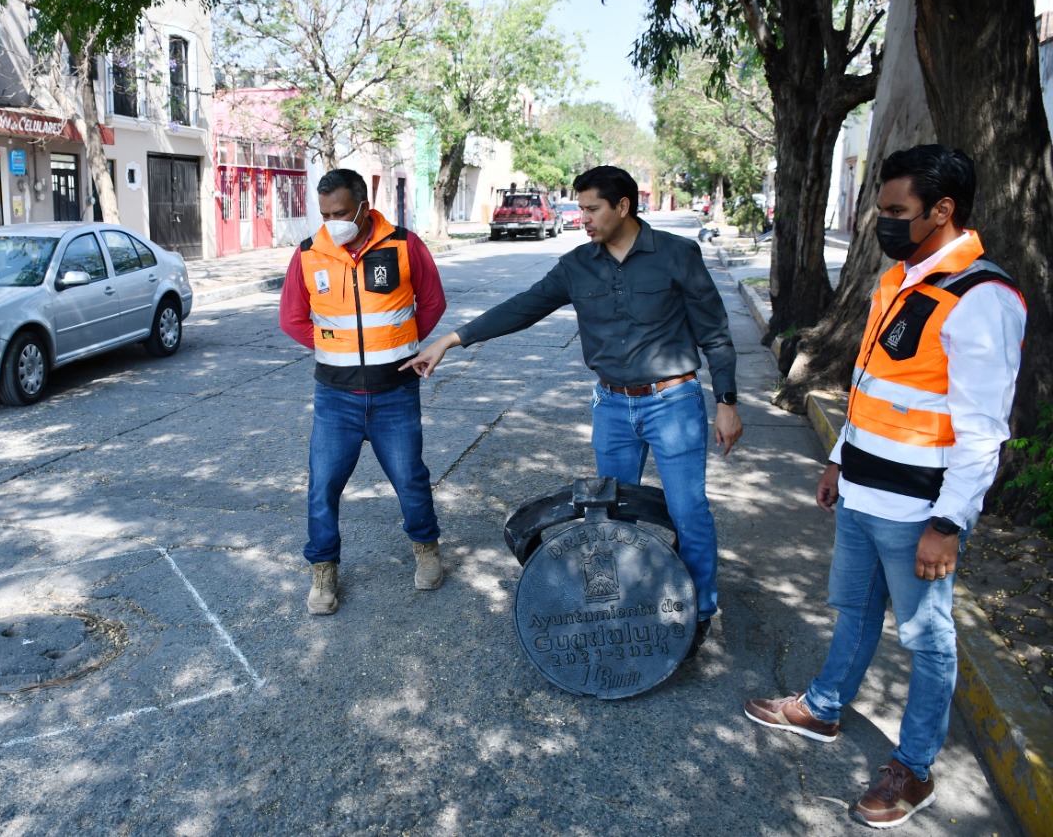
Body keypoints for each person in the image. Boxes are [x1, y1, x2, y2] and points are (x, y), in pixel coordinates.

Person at [744, 145, 1026, 829]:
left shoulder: (980, 298)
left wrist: (949, 524)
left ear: (943, 210)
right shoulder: (899, 279)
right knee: (855, 610)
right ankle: (824, 706)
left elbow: (983, 431)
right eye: (880, 211)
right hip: (865, 492)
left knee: (927, 638)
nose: (883, 224)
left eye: (897, 213)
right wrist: (841, 457)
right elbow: (871, 386)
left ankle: (915, 767)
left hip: (918, 511)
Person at [403, 165, 743, 656]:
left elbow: (714, 331)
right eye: (579, 207)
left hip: (673, 402)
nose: (580, 217)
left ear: (622, 206)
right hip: (612, 407)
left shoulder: (676, 254)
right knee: (611, 516)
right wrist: (452, 340)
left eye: (590, 208)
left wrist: (727, 402)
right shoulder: (578, 264)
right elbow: (525, 305)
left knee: (689, 512)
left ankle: (701, 613)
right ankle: (627, 609)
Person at [280, 169, 447, 615]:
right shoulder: (310, 253)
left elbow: (432, 302)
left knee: (411, 478)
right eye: (324, 214)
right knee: (323, 487)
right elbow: (293, 318)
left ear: (363, 204)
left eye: (340, 212)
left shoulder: (404, 244)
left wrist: (402, 345)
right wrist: (336, 348)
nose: (333, 222)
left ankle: (426, 549)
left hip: (395, 392)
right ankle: (323, 571)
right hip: (335, 399)